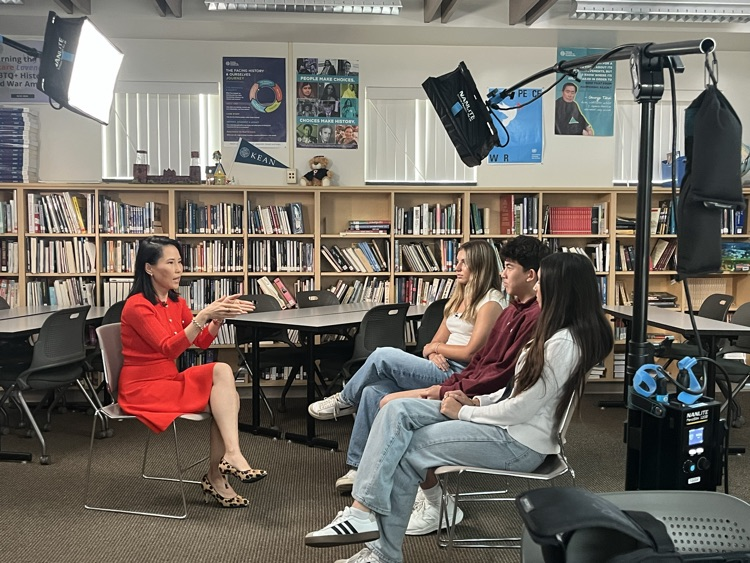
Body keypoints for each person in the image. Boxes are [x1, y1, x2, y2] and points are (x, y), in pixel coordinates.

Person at [305, 252, 614, 563]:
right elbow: (513, 392)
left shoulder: (562, 344)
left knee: (405, 448)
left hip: (518, 443)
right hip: (501, 423)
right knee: (396, 411)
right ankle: (362, 514)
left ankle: (382, 551)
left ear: (560, 289)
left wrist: (464, 412)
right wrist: (476, 401)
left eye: (542, 283)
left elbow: (520, 409)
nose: (536, 289)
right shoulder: (552, 334)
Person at [308, 240, 505, 492]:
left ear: (480, 266)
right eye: (457, 261)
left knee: (382, 355)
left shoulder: (491, 302)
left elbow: (470, 353)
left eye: (464, 263)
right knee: (372, 392)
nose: (457, 267)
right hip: (440, 366)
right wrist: (433, 352)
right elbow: (430, 345)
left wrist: (437, 349)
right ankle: (359, 468)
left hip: (459, 375)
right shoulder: (460, 298)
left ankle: (344, 400)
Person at [118, 236, 264, 509]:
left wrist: (217, 319)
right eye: (170, 263)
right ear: (149, 268)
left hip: (169, 379)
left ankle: (228, 459)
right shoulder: (137, 305)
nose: (178, 270)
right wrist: (203, 316)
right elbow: (169, 349)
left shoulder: (175, 302)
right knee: (226, 401)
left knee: (223, 378)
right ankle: (218, 474)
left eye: (180, 262)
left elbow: (202, 342)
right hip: (143, 388)